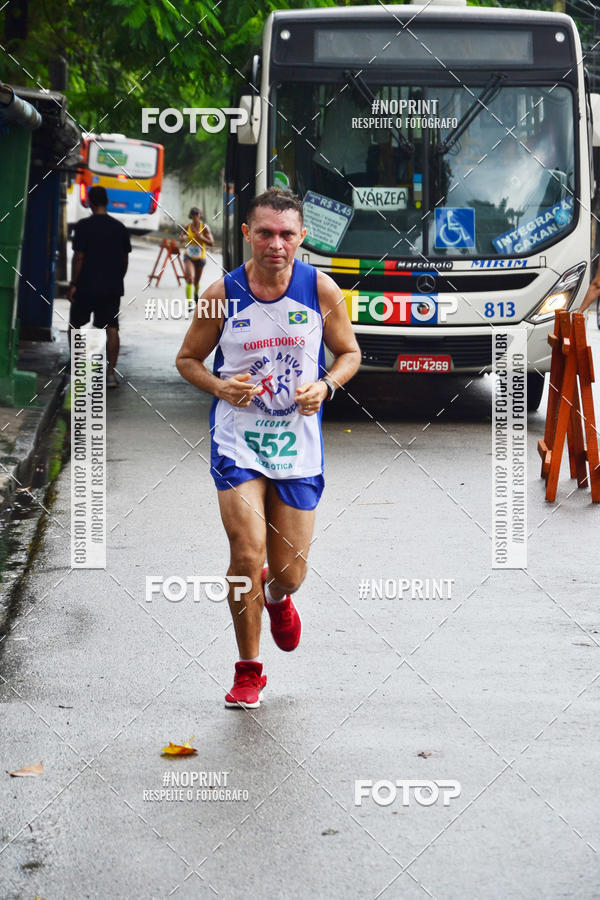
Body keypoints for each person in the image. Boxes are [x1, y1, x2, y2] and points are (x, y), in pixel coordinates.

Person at [176, 187, 361, 708]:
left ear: (301, 236)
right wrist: (220, 386)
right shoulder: (222, 293)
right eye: (264, 233)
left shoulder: (320, 289)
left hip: (298, 446)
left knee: (289, 573)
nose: (275, 244)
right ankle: (248, 669)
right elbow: (187, 359)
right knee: (245, 551)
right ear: (247, 234)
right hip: (238, 442)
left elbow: (349, 353)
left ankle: (276, 596)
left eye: (285, 234)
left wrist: (325, 386)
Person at [67, 185, 131, 388]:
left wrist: (73, 283)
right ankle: (110, 375)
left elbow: (79, 257)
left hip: (85, 286)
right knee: (112, 328)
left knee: (75, 325)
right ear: (107, 201)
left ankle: (77, 366)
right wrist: (116, 279)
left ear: (89, 203)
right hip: (111, 288)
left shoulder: (83, 226)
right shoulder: (119, 228)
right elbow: (124, 260)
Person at [179, 207, 214, 303]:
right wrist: (182, 238)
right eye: (193, 215)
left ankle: (195, 293)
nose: (195, 217)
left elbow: (211, 242)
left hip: (200, 258)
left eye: (196, 214)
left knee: (196, 281)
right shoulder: (187, 227)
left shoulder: (204, 228)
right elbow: (181, 238)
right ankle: (189, 303)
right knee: (190, 279)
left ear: (200, 215)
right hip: (189, 256)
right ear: (191, 216)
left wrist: (200, 237)